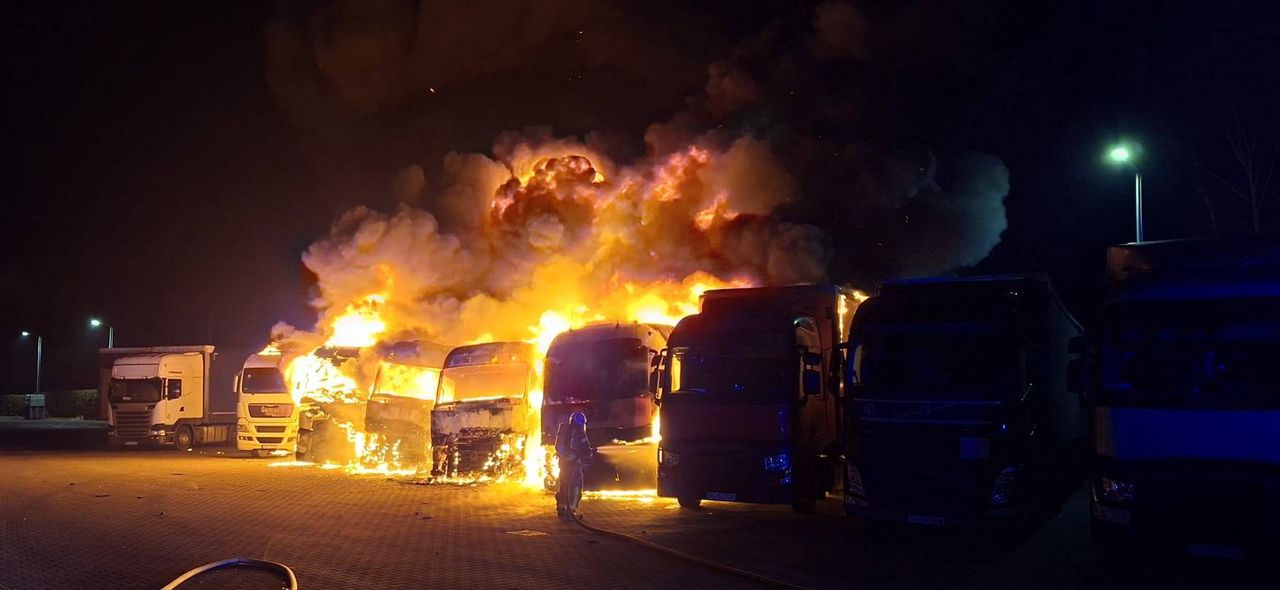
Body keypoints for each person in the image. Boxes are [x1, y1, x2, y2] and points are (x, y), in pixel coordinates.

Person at [555, 411, 593, 520]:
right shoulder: (580, 434)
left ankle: (562, 509)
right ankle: (572, 511)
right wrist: (589, 457)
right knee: (576, 487)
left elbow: (558, 447)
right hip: (574, 466)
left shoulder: (565, 430)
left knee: (564, 485)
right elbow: (586, 448)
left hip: (564, 464)